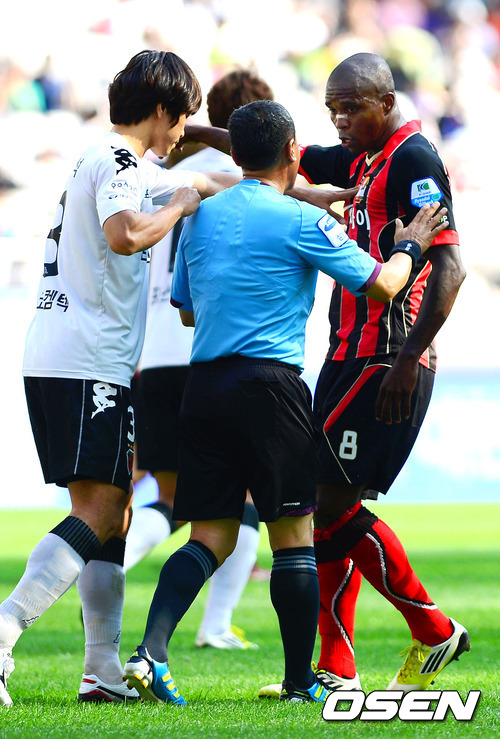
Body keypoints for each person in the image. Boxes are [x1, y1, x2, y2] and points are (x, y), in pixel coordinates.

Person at [122, 99, 448, 705]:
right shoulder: (303, 222)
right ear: (294, 153)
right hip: (272, 388)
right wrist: (408, 245)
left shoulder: (200, 216)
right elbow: (383, 284)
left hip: (204, 387)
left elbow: (186, 310)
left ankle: (150, 652)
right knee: (295, 538)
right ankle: (301, 681)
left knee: (207, 537)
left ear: (239, 155)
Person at [0, 49, 238, 707]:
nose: (182, 132)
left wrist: (308, 193)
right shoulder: (121, 163)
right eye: (181, 117)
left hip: (75, 356)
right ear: (161, 109)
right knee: (100, 510)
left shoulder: (114, 161)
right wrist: (182, 204)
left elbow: (221, 181)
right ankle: (4, 631)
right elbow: (127, 234)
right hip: (86, 359)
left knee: (116, 512)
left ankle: (101, 668)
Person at [262, 52, 468, 696]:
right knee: (326, 502)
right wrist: (199, 132)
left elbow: (451, 267)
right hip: (347, 354)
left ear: (386, 101)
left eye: (351, 107)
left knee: (328, 501)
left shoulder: (413, 160)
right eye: (333, 109)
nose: (341, 120)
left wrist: (407, 359)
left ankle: (433, 629)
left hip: (385, 356)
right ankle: (339, 668)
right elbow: (283, 154)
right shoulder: (363, 160)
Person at [126, 69, 276, 650]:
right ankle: (215, 625)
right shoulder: (244, 183)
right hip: (212, 353)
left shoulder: (163, 172)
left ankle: (102, 563)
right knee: (245, 496)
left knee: (168, 498)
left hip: (155, 356)